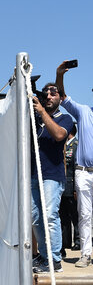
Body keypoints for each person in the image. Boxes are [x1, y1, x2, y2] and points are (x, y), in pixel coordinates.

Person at [31, 82, 73, 273]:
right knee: (35, 217)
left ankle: (55, 260)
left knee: (49, 215)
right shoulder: (33, 117)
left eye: (53, 94)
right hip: (33, 174)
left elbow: (58, 135)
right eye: (45, 93)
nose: (48, 96)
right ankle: (45, 255)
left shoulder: (65, 118)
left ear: (60, 98)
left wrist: (41, 112)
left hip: (52, 176)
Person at [56, 62, 93, 268]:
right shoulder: (84, 111)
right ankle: (86, 253)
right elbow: (62, 98)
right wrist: (59, 75)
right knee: (85, 215)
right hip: (83, 172)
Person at [59, 124, 80, 257]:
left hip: (71, 186)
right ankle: (66, 242)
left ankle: (78, 240)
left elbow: (76, 167)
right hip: (62, 187)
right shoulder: (63, 145)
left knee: (75, 215)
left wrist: (76, 188)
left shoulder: (76, 145)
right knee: (63, 215)